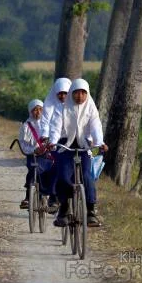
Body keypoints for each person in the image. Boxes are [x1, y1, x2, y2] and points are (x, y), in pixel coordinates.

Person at [47, 79, 108, 227]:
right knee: (63, 176)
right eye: (76, 92)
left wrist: (100, 142)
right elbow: (55, 127)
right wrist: (52, 141)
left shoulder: (91, 109)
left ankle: (91, 210)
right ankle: (64, 208)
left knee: (87, 175)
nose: (79, 96)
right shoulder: (61, 109)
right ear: (71, 94)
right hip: (64, 145)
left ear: (87, 94)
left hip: (83, 145)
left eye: (83, 93)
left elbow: (96, 127)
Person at [40, 77, 72, 211]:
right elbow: (45, 122)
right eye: (60, 93)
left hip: (74, 139)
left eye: (65, 93)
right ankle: (53, 196)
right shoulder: (50, 104)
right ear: (55, 93)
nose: (63, 96)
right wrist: (46, 138)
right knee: (55, 166)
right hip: (56, 140)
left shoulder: (76, 103)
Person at [18, 99, 56, 210]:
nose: (38, 112)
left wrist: (49, 147)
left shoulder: (50, 125)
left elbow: (55, 140)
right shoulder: (26, 127)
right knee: (33, 169)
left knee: (54, 171)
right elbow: (23, 145)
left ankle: (53, 197)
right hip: (33, 156)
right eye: (35, 110)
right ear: (30, 111)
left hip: (47, 156)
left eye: (40, 109)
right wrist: (35, 150)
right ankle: (28, 196)